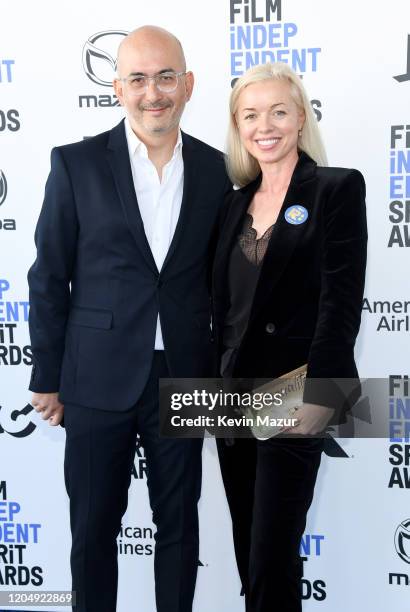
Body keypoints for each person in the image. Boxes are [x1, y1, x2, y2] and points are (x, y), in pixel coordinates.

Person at [27, 26, 231, 612]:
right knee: (93, 533)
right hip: (94, 378)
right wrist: (47, 376)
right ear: (116, 87)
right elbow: (48, 277)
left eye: (166, 77)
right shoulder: (76, 164)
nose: (153, 92)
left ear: (188, 84)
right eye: (138, 78)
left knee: (179, 530)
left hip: (186, 377)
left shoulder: (219, 172)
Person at [212, 62, 367, 612]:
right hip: (229, 398)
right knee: (248, 555)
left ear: (301, 117)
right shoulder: (233, 203)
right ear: (238, 125)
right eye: (251, 115)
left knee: (273, 554)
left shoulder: (336, 189)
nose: (265, 125)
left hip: (295, 391)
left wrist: (322, 393)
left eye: (279, 111)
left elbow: (341, 299)